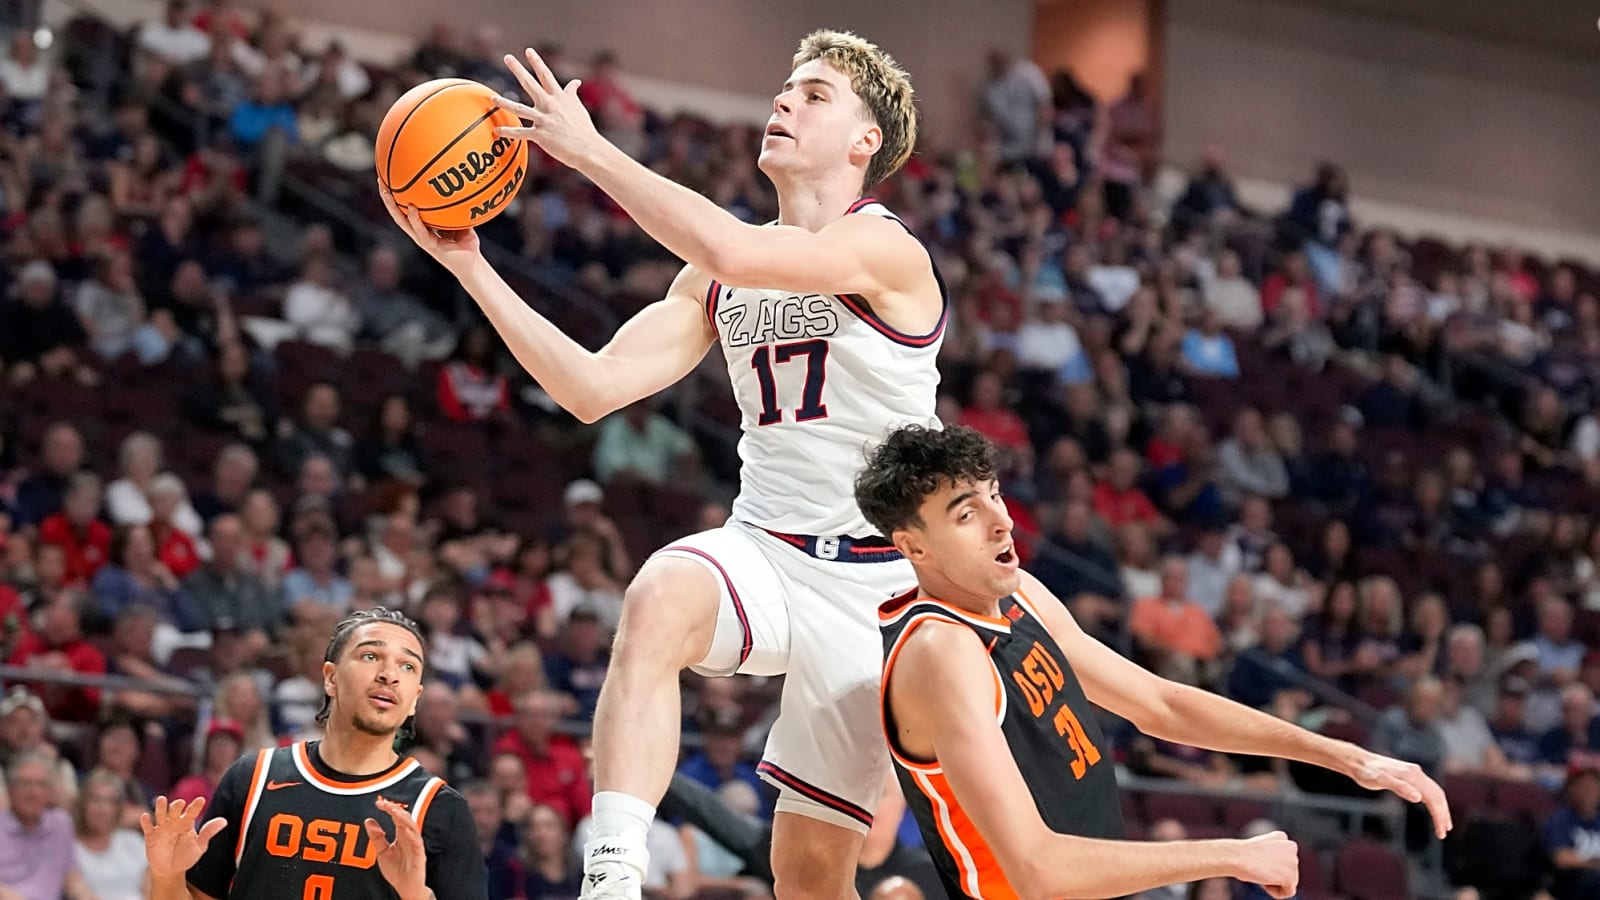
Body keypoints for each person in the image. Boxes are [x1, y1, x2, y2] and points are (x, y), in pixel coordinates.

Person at [383, 30, 939, 900]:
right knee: (657, 596)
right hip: (767, 550)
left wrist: (591, 152)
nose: (784, 101)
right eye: (786, 87)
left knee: (811, 876)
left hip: (883, 586)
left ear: (866, 140)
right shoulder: (713, 277)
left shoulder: (886, 250)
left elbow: (735, 250)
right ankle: (611, 875)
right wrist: (471, 267)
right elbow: (592, 387)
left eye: (815, 95)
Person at [854, 425, 1453, 899]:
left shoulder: (1019, 595)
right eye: (967, 514)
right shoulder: (940, 652)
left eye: (995, 496)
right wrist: (1231, 855)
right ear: (913, 546)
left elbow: (1160, 705)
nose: (1002, 522)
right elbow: (1037, 868)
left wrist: (1345, 757)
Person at [140, 607, 488, 900]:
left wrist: (415, 895)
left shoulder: (442, 809)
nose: (389, 675)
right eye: (370, 656)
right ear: (330, 677)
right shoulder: (252, 777)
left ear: (414, 699)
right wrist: (166, 877)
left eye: (408, 666)